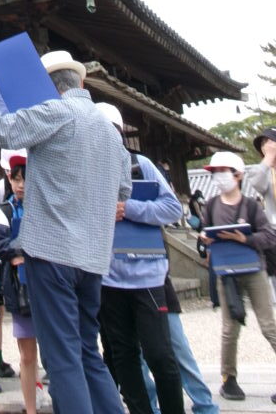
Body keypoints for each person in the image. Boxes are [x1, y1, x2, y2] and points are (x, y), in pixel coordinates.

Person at [0, 47, 131, 414]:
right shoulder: (111, 134)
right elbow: (123, 192)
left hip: (53, 253)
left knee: (62, 356)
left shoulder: (55, 111)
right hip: (94, 258)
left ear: (45, 86)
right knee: (87, 351)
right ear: (81, 83)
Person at [95, 103, 185, 414]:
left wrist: (129, 208)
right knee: (123, 355)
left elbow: (172, 208)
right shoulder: (85, 170)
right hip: (107, 277)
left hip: (146, 275)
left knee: (160, 354)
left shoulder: (141, 165)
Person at [200, 149, 276, 402]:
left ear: (238, 175)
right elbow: (205, 234)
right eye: (215, 172)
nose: (219, 176)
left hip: (254, 270)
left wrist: (245, 238)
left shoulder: (251, 206)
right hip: (226, 272)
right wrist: (205, 239)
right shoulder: (211, 205)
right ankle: (228, 379)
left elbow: (270, 236)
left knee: (269, 325)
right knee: (229, 328)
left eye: (223, 171)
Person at [0, 152, 47, 414]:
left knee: (56, 353)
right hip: (20, 289)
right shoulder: (3, 211)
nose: (21, 184)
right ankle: (31, 409)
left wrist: (23, 252)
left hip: (48, 288)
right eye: (16, 179)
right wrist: (26, 251)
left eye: (25, 178)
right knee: (27, 355)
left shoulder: (47, 206)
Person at [139, 275, 218, 414]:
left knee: (182, 353)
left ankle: (205, 406)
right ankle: (149, 407)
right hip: (125, 294)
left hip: (159, 291)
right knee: (139, 360)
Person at [250, 126, 276, 295]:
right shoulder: (265, 172)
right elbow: (256, 182)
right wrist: (268, 159)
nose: (267, 145)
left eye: (270, 141)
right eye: (263, 143)